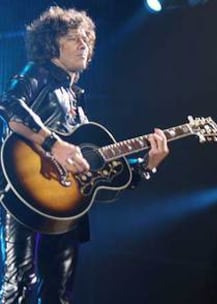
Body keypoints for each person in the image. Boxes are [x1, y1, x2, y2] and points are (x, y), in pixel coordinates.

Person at [0, 6, 169, 303]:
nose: (83, 44)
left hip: (66, 208)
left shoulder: (78, 104)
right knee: (18, 287)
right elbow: (10, 105)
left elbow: (101, 175)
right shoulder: (38, 73)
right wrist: (55, 144)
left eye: (87, 40)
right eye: (73, 37)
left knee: (59, 292)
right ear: (51, 43)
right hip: (22, 192)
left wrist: (145, 166)